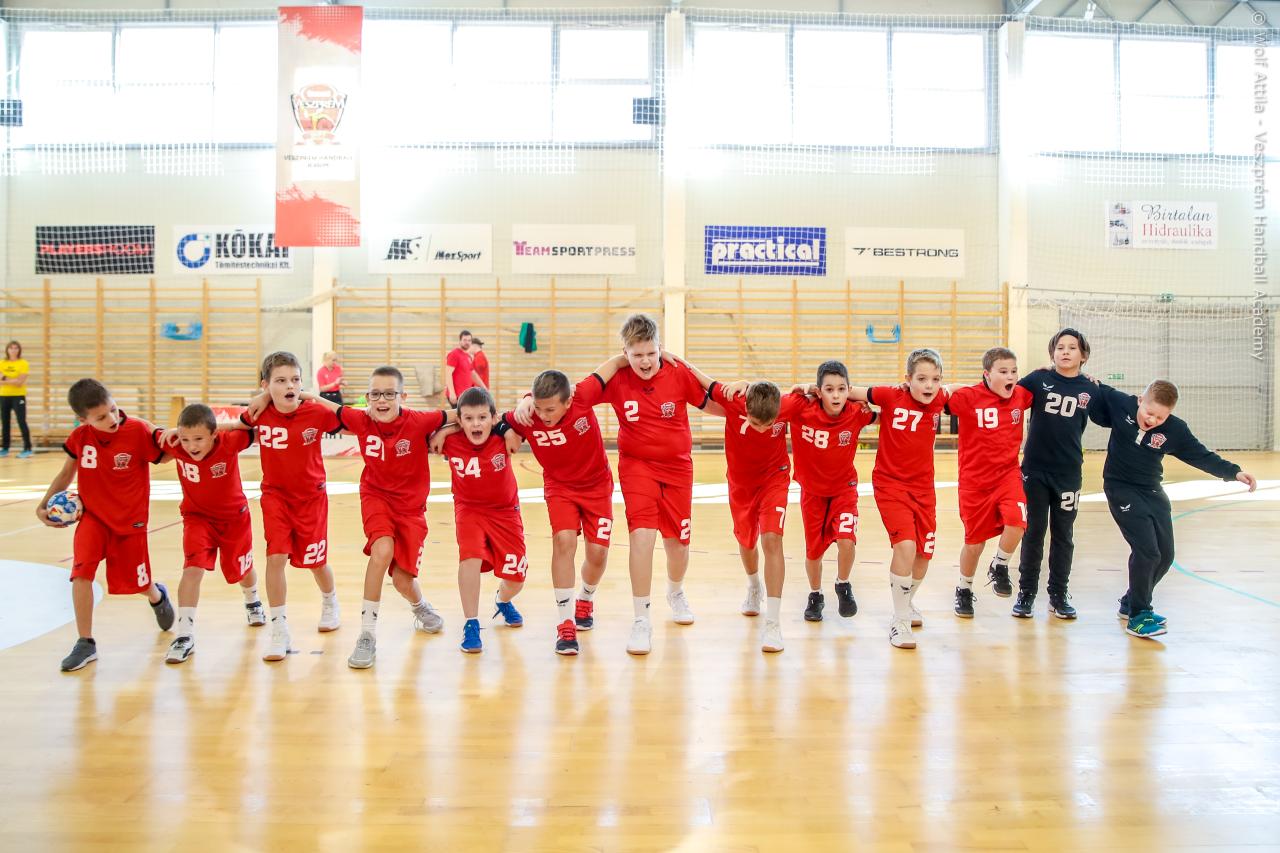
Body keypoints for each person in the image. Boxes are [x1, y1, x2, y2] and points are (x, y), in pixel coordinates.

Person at [517, 314, 717, 656]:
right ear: (625, 353)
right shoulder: (617, 379)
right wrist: (526, 397)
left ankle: (675, 591)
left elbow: (712, 402)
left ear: (660, 348)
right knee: (642, 537)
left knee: (678, 546)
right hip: (637, 466)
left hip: (678, 469)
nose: (645, 361)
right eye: (636, 355)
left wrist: (745, 408)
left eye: (651, 353)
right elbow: (567, 393)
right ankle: (641, 619)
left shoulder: (677, 373)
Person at [301, 366, 452, 670]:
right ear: (367, 397)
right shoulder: (361, 419)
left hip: (411, 509)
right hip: (376, 497)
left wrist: (445, 431)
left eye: (389, 394)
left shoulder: (419, 421)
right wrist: (302, 394)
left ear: (402, 397)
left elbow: (463, 413)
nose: (382, 400)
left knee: (402, 581)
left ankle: (420, 606)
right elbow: (327, 405)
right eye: (375, 394)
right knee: (382, 550)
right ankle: (367, 635)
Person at [1088, 379, 1256, 639]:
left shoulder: (1175, 430)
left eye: (1160, 417)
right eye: (1149, 412)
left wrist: (1234, 472)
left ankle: (1131, 602)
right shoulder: (1120, 403)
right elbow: (1091, 388)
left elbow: (1200, 455)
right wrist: (1076, 377)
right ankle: (1139, 615)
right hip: (1120, 488)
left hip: (1152, 490)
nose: (1152, 420)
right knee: (1147, 551)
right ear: (1140, 400)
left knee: (1165, 555)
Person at [36, 379, 174, 671]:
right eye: (101, 417)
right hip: (93, 518)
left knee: (135, 582)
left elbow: (168, 455)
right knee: (81, 573)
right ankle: (85, 642)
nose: (111, 418)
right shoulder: (80, 437)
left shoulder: (137, 430)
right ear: (83, 420)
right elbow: (66, 473)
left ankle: (156, 594)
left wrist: (179, 437)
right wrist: (43, 504)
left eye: (113, 409)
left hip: (129, 520)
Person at [500, 361, 628, 655]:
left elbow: (617, 363)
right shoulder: (529, 414)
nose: (543, 416)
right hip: (560, 487)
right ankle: (565, 622)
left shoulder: (582, 396)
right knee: (563, 541)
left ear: (568, 401)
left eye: (550, 410)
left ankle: (586, 597)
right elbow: (490, 420)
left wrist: (655, 355)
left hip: (596, 486)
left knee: (598, 553)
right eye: (539, 408)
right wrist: (509, 425)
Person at [237, 351, 343, 662]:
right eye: (281, 381)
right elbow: (228, 428)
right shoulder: (258, 413)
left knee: (315, 562)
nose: (290, 386)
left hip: (311, 497)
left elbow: (350, 418)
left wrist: (313, 395)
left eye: (295, 380)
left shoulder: (315, 412)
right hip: (276, 496)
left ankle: (330, 601)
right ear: (266, 385)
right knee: (276, 556)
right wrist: (261, 399)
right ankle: (279, 628)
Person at [159, 403, 265, 664]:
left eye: (198, 439)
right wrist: (171, 433)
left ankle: (252, 599)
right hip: (197, 518)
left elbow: (255, 428)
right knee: (192, 569)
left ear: (214, 434)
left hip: (234, 519)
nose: (191, 446)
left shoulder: (229, 442)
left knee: (241, 570)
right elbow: (146, 436)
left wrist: (223, 426)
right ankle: (185, 635)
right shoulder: (175, 444)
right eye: (185, 439)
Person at [858, 349, 949, 650]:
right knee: (906, 546)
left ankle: (906, 603)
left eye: (935, 379)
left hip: (924, 489)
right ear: (907, 379)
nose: (929, 385)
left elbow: (964, 389)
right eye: (921, 378)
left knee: (924, 553)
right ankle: (899, 622)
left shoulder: (940, 398)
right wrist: (811, 387)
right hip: (890, 484)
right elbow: (850, 391)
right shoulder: (889, 395)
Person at [1013, 328, 1097, 619]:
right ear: (1052, 353)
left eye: (1072, 348)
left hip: (1068, 474)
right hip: (1035, 471)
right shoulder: (1038, 379)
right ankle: (1026, 593)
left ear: (1083, 355)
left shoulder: (1091, 388)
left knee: (1064, 535)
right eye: (1060, 347)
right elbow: (1006, 394)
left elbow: (1118, 411)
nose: (1065, 352)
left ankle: (1058, 594)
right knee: (1033, 533)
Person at [945, 347, 1033, 619]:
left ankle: (1000, 565)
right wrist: (949, 386)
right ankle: (964, 588)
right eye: (1003, 372)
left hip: (1007, 475)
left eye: (1014, 371)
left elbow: (1050, 382)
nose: (1011, 376)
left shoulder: (1021, 394)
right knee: (974, 544)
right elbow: (938, 395)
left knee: (1018, 522)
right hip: (974, 483)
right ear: (987, 374)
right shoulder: (969, 397)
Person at [788, 361, 877, 627]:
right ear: (819, 391)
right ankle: (815, 595)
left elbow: (888, 412)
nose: (836, 395)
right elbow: (773, 403)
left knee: (847, 540)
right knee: (813, 553)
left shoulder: (856, 412)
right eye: (829, 389)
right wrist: (800, 388)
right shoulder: (801, 409)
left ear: (849, 390)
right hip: (812, 493)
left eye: (841, 389)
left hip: (843, 490)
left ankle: (843, 584)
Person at [440, 387, 527, 654]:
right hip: (469, 509)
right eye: (468, 419)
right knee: (469, 558)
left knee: (516, 578)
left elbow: (527, 411)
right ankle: (471, 623)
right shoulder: (449, 441)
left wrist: (505, 427)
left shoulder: (505, 437)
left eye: (482, 417)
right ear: (459, 420)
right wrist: (445, 430)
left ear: (493, 418)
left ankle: (502, 600)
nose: (476, 424)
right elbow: (417, 427)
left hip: (505, 511)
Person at [0, 340, 33, 458]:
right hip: (3, 396)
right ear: (7, 350)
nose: (13, 350)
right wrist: (12, 380)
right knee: (5, 422)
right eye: (11, 348)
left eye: (16, 348)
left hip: (18, 396)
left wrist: (4, 378)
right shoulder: (2, 363)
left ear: (19, 350)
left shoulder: (23, 363)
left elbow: (19, 383)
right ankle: (5, 448)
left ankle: (27, 448)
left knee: (21, 421)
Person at [445, 330, 486, 405]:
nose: (467, 342)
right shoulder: (454, 354)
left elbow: (473, 373)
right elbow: (448, 373)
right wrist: (452, 393)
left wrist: (484, 387)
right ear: (460, 341)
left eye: (469, 340)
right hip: (457, 395)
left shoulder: (468, 356)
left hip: (465, 395)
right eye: (464, 340)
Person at [316, 351, 344, 437]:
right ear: (326, 360)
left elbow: (339, 381)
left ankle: (339, 431)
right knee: (324, 414)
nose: (335, 362)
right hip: (325, 395)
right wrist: (335, 383)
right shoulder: (320, 372)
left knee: (339, 414)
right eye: (333, 360)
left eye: (336, 360)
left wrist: (342, 382)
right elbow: (322, 388)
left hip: (336, 394)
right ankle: (324, 431)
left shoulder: (338, 369)